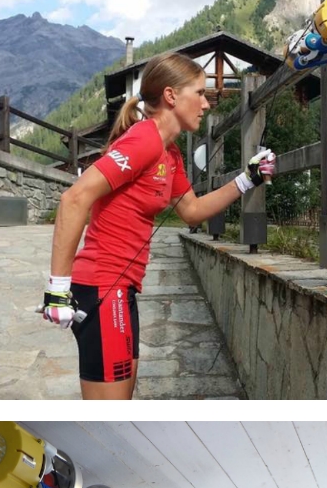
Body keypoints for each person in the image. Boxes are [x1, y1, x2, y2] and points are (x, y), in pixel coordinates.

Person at [42, 52, 275, 399]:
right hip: (105, 286)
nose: (205, 104)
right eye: (198, 92)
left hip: (123, 290)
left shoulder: (169, 153)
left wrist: (247, 179)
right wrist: (57, 289)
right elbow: (74, 198)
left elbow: (193, 211)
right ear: (170, 96)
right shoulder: (144, 139)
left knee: (120, 402)